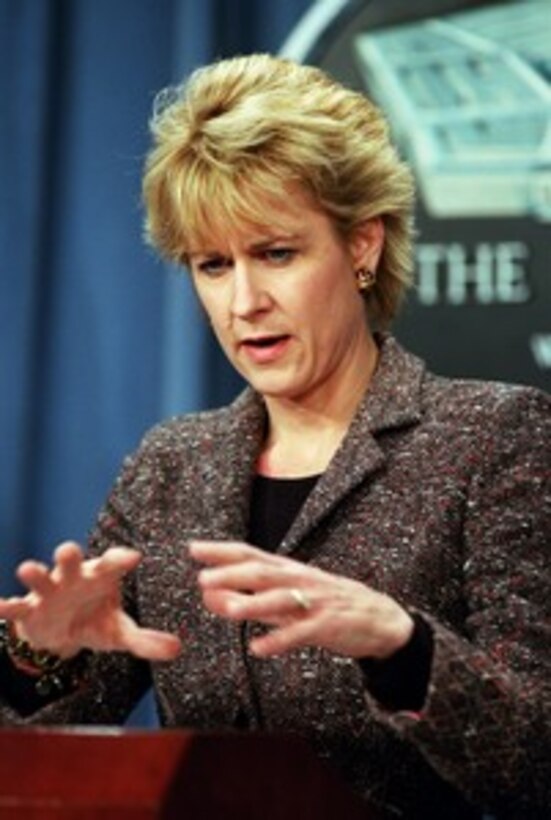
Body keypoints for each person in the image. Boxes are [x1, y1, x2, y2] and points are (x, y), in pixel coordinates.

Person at [0, 53, 549, 819]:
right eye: (212, 265)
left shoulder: (493, 439)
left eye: (276, 254)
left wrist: (403, 646)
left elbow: (535, 757)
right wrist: (37, 659)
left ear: (361, 245)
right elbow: (41, 763)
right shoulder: (170, 467)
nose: (244, 301)